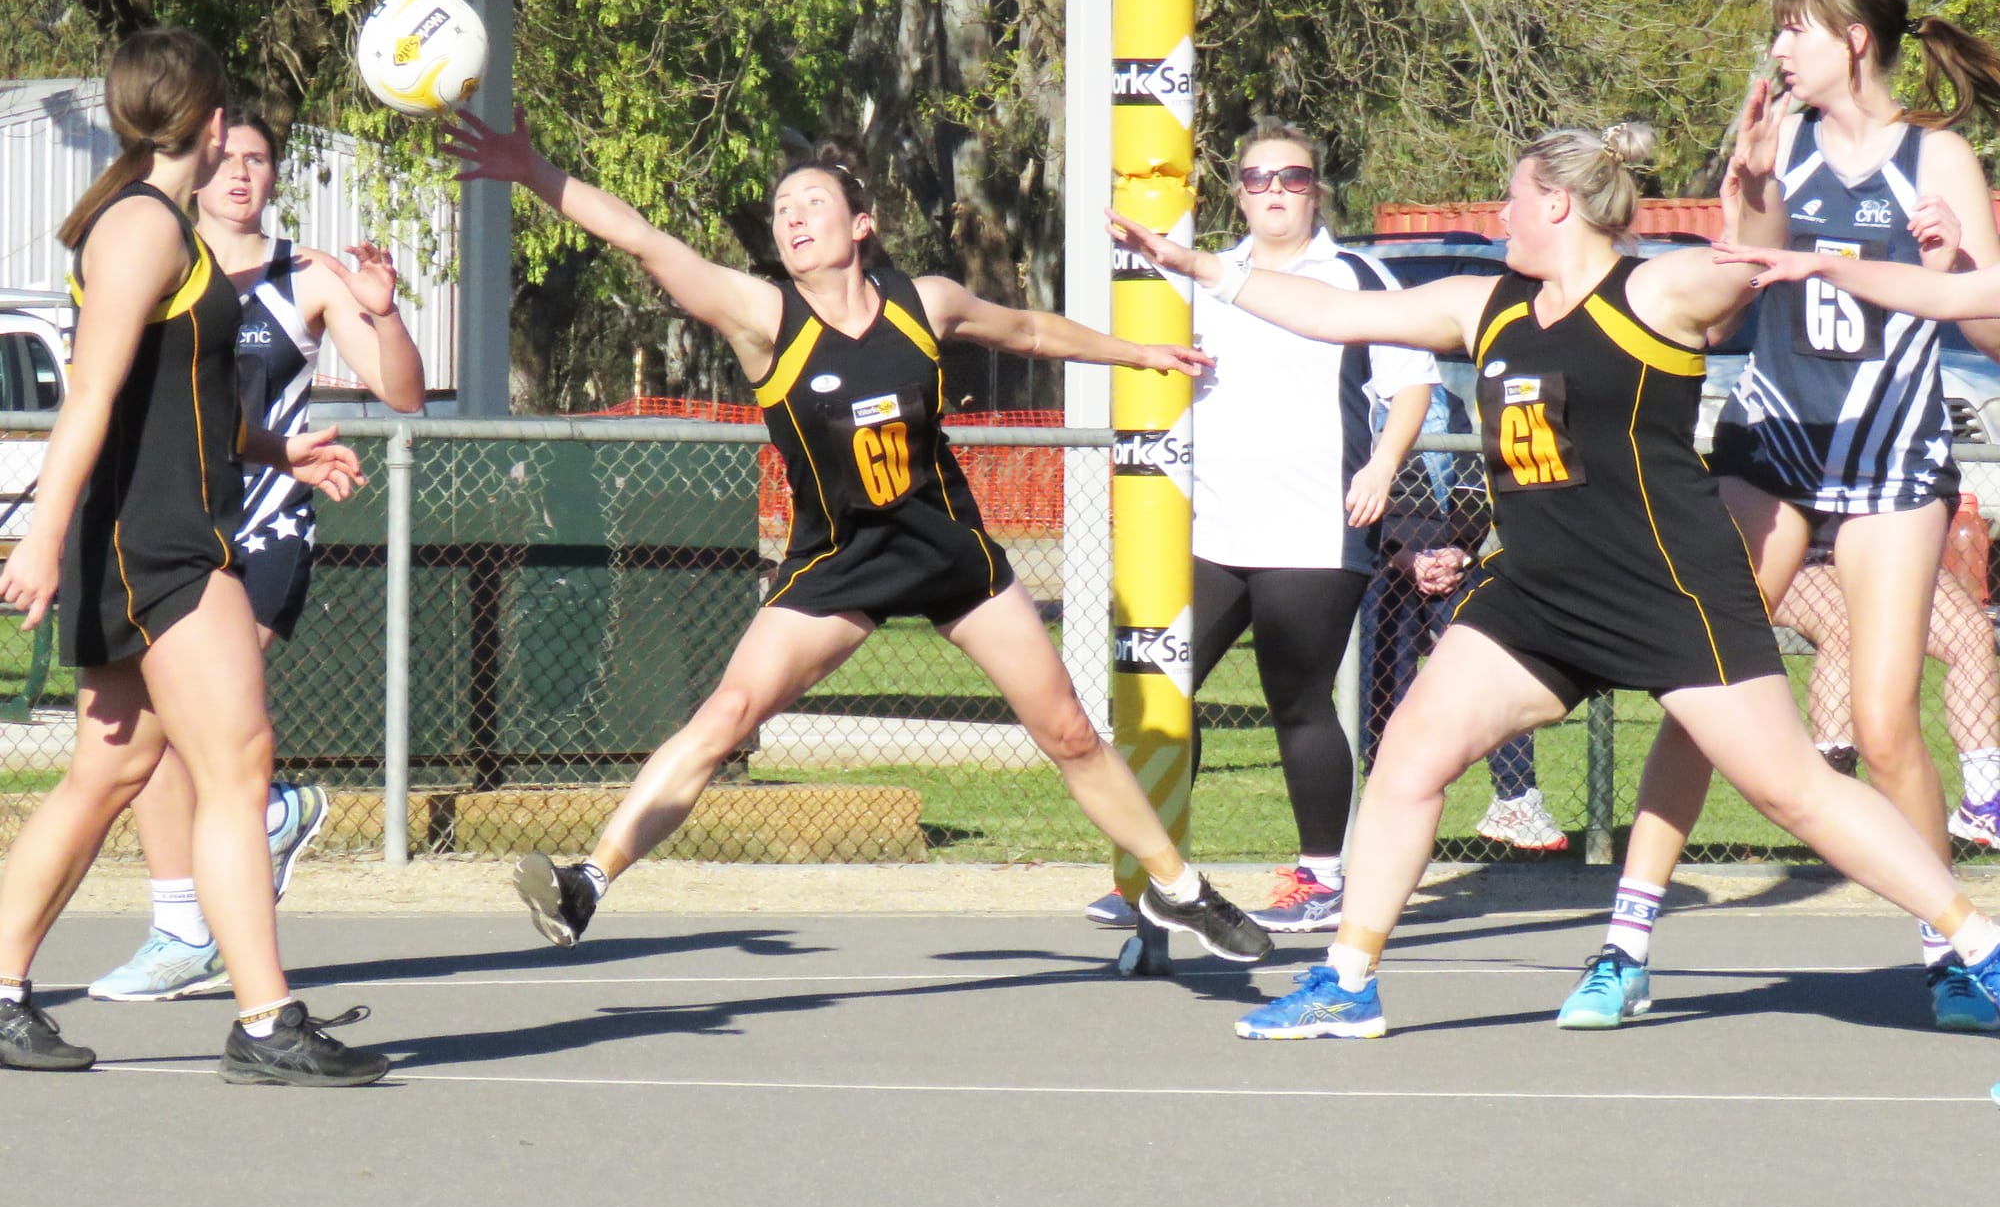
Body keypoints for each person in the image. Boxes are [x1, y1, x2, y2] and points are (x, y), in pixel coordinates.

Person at [1109, 95, 2000, 1043]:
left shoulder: (1656, 293)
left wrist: (1761, 182)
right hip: (1537, 593)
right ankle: (1348, 980)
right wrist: (1204, 268)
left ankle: (1977, 940)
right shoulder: (1484, 305)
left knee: (1794, 793)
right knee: (1409, 755)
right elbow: (1337, 313)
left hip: (1668, 590)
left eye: (1513, 200)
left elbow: (1755, 260)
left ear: (1559, 205)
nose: (1501, 216)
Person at [443, 109, 1272, 966]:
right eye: (781, 210)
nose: (792, 217)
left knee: (1068, 733)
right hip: (839, 561)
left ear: (861, 223)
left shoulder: (925, 303)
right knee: (727, 714)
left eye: (811, 202)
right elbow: (646, 241)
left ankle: (1180, 888)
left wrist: (1138, 354)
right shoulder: (765, 317)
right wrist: (533, 170)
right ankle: (589, 881)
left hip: (947, 552)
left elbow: (1027, 331)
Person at [1561, 0, 2000, 1032]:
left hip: (1891, 460)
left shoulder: (1935, 157)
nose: (1778, 49)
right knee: (1704, 687)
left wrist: (1951, 272)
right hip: (1772, 448)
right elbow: (1729, 305)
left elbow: (1990, 330)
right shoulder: (1780, 144)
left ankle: (1948, 949)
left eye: (1796, 29)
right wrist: (1754, 191)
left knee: (1884, 724)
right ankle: (1624, 944)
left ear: (1853, 37)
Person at [0, 28, 384, 1084]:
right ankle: (267, 1024)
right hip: (156, 542)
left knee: (110, 770)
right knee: (239, 763)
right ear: (213, 123)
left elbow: (182, 398)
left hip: (163, 528)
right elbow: (92, 393)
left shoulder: (163, 226)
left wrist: (278, 450)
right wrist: (42, 533)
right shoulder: (139, 227)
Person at [86, 108, 427, 1003]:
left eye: (261, 159)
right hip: (171, 529)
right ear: (198, 162)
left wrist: (384, 316)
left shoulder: (305, 277)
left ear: (276, 177)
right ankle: (186, 919)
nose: (242, 172)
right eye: (229, 156)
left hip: (265, 532)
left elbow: (402, 393)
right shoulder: (160, 261)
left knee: (176, 726)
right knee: (155, 731)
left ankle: (208, 899)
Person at [1085, 121, 1438, 936]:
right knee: (1157, 689)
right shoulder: (1204, 275)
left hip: (1315, 527)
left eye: (1294, 177)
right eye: (1258, 178)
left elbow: (1412, 383)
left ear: (1317, 190)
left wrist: (1383, 466)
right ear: (1237, 193)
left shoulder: (1355, 276)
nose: (1275, 191)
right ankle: (1157, 873)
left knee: (1297, 698)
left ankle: (1322, 878)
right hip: (1211, 526)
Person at [1359, 383, 1564, 852]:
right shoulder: (1356, 396)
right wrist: (1402, 556)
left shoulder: (1443, 401)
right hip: (1380, 559)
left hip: (1447, 559)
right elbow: (1350, 486)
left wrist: (1459, 550)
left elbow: (1470, 484)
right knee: (1384, 681)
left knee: (1496, 668)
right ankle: (1385, 803)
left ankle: (1516, 799)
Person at [1771, 557, 2000, 851]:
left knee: (1971, 633)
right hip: (1799, 566)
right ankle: (1834, 796)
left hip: (1885, 559)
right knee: (1846, 624)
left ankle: (1983, 804)